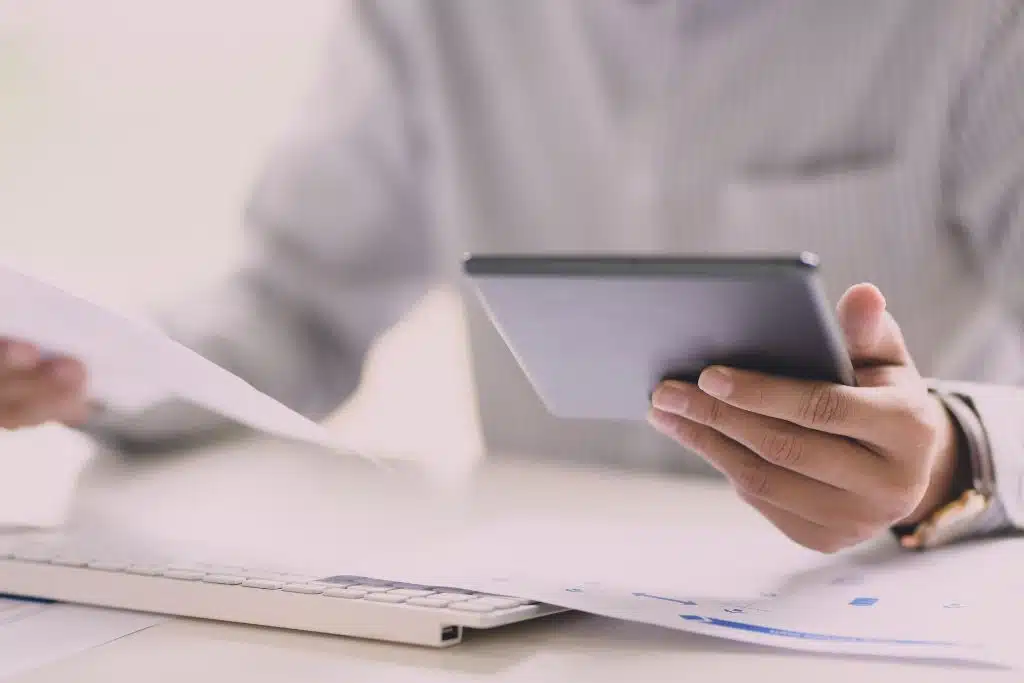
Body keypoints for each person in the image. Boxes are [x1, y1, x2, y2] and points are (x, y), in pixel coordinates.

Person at [2, 0, 1022, 553]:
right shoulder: (433, 18)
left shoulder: (974, 21)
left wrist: (955, 456)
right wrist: (74, 360)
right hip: (544, 623)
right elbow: (291, 310)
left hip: (882, 605)